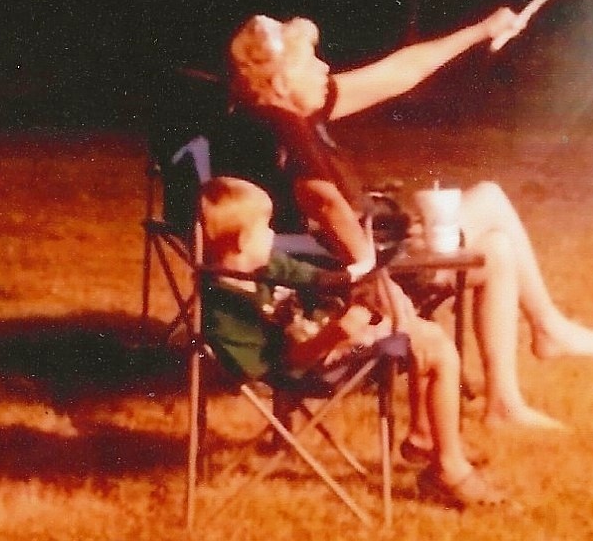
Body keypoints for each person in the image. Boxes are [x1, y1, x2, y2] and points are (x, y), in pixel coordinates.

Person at [226, 10, 593, 432]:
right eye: (312, 62)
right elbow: (324, 205)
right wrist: (373, 270)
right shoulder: (283, 125)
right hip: (344, 279)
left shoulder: (289, 115)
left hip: (345, 261)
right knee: (489, 199)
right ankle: (547, 326)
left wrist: (482, 30)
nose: (325, 69)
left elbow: (400, 72)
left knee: (496, 250)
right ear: (282, 82)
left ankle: (505, 403)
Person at [198, 176, 504, 508]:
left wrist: (360, 284)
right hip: (314, 366)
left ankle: (427, 440)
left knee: (427, 336)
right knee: (437, 348)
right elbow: (278, 365)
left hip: (332, 339)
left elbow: (318, 278)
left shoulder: (266, 264)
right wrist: (338, 335)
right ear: (242, 241)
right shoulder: (225, 309)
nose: (274, 236)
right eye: (266, 229)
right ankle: (447, 467)